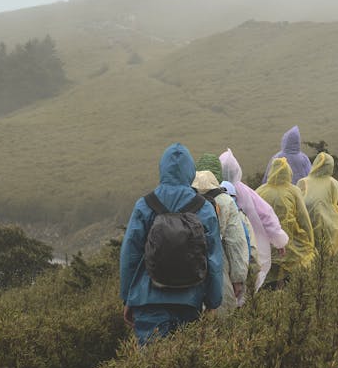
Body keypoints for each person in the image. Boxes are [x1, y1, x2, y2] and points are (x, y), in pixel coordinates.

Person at [119, 143, 223, 345]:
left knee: (151, 366)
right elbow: (214, 259)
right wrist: (213, 301)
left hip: (148, 300)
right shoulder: (204, 209)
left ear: (162, 169)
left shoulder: (145, 205)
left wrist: (128, 298)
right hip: (190, 300)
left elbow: (129, 255)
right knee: (185, 367)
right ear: (190, 171)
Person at [219, 149, 289, 291]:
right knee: (249, 292)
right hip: (253, 250)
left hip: (224, 254)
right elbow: (267, 216)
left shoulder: (214, 191)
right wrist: (279, 241)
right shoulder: (246, 192)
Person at [192, 169, 248, 316]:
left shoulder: (184, 201)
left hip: (187, 279)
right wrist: (238, 279)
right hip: (219, 273)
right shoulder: (226, 201)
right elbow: (235, 243)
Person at [256, 157, 315, 288]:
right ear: (288, 173)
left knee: (268, 279)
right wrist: (311, 241)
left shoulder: (259, 191)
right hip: (291, 246)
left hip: (266, 246)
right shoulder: (293, 191)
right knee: (292, 278)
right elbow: (304, 219)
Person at [298, 152, 338, 257]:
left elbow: (297, 206)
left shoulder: (303, 182)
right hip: (331, 228)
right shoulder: (333, 183)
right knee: (329, 258)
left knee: (312, 258)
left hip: (308, 226)